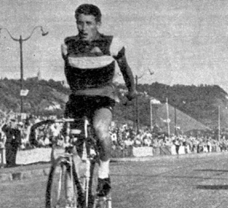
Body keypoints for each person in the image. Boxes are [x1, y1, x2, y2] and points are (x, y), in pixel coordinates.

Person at [61, 4, 140, 197]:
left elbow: (125, 70)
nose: (84, 28)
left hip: (102, 98)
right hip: (78, 99)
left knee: (100, 128)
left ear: (98, 23)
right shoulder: (68, 45)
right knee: (73, 143)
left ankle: (104, 173)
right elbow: (69, 73)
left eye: (89, 23)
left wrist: (132, 91)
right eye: (80, 23)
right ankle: (80, 187)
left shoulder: (111, 44)